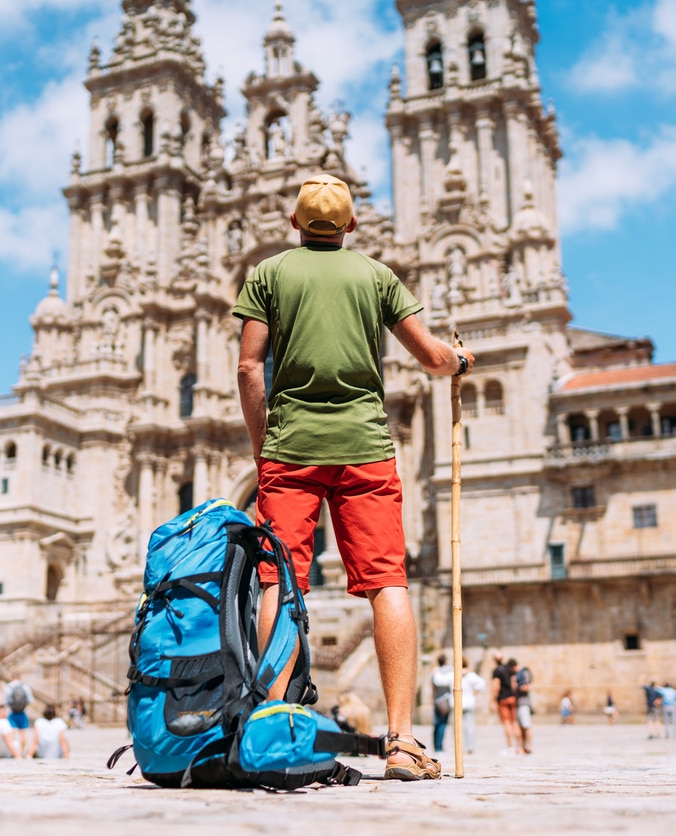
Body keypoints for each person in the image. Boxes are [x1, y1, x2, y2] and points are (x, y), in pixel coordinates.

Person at [234, 173, 474, 782]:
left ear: (293, 223)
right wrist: (459, 359)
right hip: (366, 449)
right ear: (351, 226)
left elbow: (247, 367)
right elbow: (431, 357)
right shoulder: (376, 276)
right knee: (388, 583)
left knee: (280, 582)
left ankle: (270, 727)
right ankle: (400, 742)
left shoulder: (268, 273)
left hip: (290, 451)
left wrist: (265, 447)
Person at [491, 654, 520, 754]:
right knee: (514, 722)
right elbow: (514, 684)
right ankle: (519, 746)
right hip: (512, 697)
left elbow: (496, 687)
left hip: (503, 698)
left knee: (507, 723)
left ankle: (510, 747)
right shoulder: (509, 669)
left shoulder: (497, 671)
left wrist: (492, 700)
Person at [459, 659, 486, 754]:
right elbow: (482, 683)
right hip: (469, 701)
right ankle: (469, 746)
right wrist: (475, 691)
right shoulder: (470, 675)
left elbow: (440, 681)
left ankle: (459, 746)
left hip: (458, 702)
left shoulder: (454, 673)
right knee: (469, 726)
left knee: (457, 727)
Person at [3, 676, 35, 752]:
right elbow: (30, 700)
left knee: (12, 733)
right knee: (22, 733)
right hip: (22, 712)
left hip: (12, 712)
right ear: (19, 678)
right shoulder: (25, 686)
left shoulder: (8, 687)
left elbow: (4, 701)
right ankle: (22, 752)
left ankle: (12, 752)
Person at [431, 655, 454, 753]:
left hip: (437, 699)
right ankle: (439, 746)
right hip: (444, 700)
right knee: (442, 724)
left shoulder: (435, 671)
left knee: (436, 724)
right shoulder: (448, 671)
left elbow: (432, 686)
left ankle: (436, 745)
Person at [515, 662, 534, 754]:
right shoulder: (520, 674)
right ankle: (522, 746)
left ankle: (528, 746)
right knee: (522, 727)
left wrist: (515, 687)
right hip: (519, 704)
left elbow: (526, 687)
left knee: (526, 726)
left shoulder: (523, 673)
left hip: (524, 704)